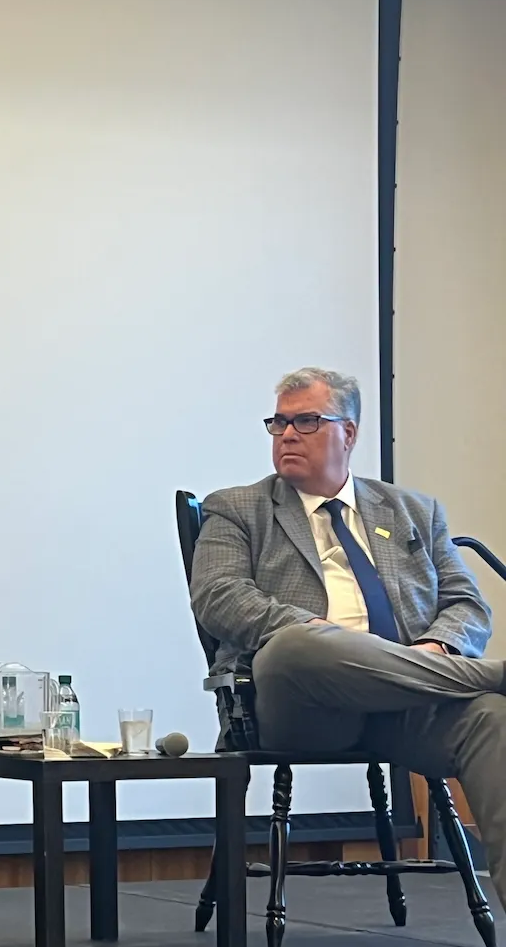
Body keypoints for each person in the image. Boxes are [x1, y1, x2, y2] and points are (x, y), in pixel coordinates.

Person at [190, 366, 506, 889]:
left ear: (349, 433)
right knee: (296, 645)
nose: (288, 434)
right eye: (279, 423)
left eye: (307, 421)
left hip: (404, 702)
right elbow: (219, 599)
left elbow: (466, 604)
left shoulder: (412, 512)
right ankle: (492, 674)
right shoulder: (238, 509)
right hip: (306, 703)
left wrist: (439, 644)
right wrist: (321, 634)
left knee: (494, 719)